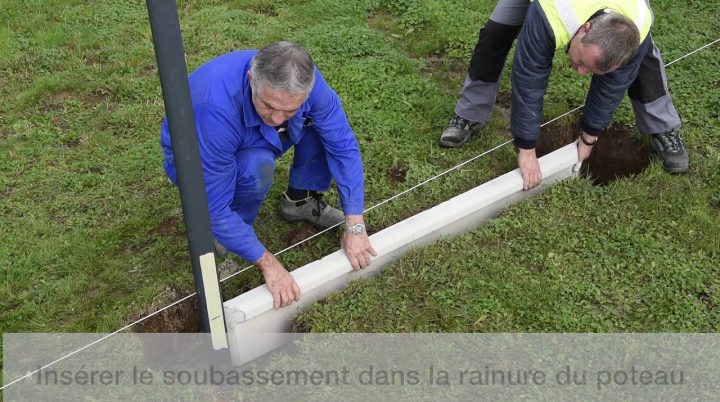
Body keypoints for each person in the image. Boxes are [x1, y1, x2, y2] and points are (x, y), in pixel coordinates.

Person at [160, 41, 377, 310]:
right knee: (255, 168)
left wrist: (355, 224)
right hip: (198, 154)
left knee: (320, 127)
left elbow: (342, 146)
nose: (277, 119)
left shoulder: (306, 84)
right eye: (269, 106)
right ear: (252, 80)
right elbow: (213, 206)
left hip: (248, 134)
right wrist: (268, 262)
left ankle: (300, 200)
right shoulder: (215, 110)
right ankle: (227, 232)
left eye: (289, 110)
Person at [438, 0, 689, 190]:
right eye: (581, 61)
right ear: (584, 29)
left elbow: (612, 86)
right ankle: (469, 114)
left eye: (588, 69)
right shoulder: (551, 12)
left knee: (642, 60)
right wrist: (526, 149)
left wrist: (590, 137)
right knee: (496, 33)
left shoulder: (639, 20)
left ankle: (663, 127)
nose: (580, 73)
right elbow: (529, 78)